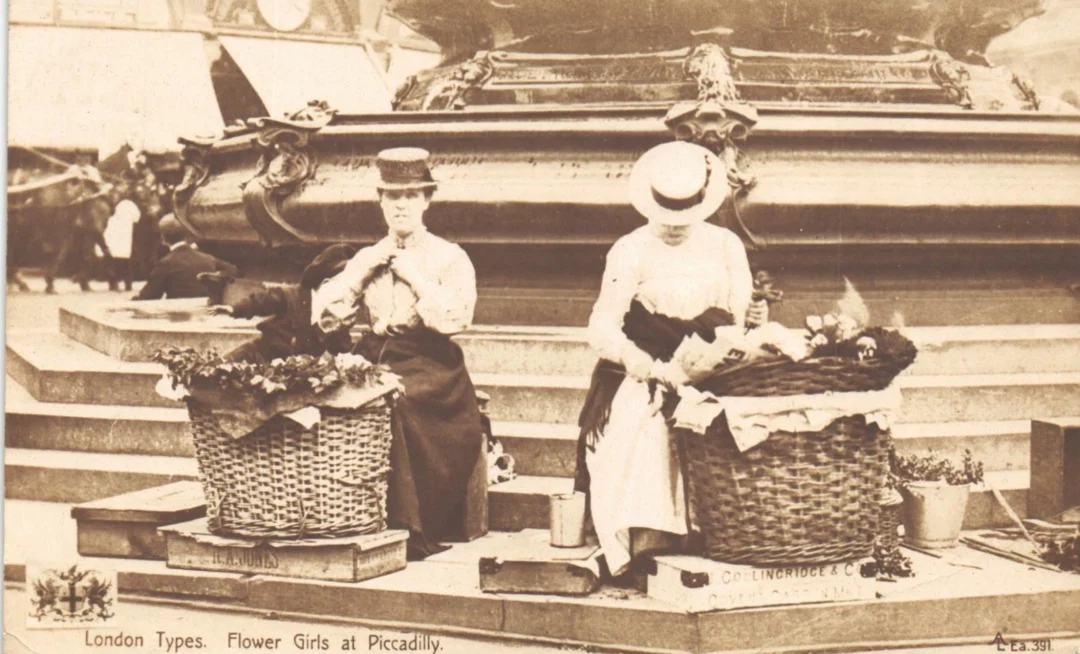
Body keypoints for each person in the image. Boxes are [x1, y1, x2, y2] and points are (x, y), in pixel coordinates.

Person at [575, 141, 764, 578]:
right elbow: (602, 326)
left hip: (714, 368)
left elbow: (737, 317)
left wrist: (742, 332)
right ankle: (645, 541)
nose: (676, 226)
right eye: (667, 215)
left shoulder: (725, 245)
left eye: (686, 215)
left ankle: (726, 531)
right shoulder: (630, 248)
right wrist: (645, 365)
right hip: (648, 367)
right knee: (641, 430)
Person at [312, 147, 484, 558]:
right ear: (381, 202)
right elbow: (326, 319)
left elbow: (456, 318)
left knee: (398, 405)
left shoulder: (449, 256)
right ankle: (344, 512)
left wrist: (415, 276)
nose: (401, 206)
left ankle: (408, 521)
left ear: (427, 200)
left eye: (410, 196)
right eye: (392, 197)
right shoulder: (367, 255)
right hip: (372, 353)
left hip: (430, 361)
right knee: (327, 397)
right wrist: (359, 272)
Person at [215, 244, 358, 364]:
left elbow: (343, 347)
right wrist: (235, 308)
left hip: (291, 372)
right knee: (221, 371)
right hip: (259, 357)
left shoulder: (336, 316)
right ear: (324, 283)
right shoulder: (293, 296)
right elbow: (263, 301)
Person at [133, 214, 237, 300]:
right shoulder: (208, 259)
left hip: (179, 317)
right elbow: (232, 269)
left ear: (163, 239)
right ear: (186, 236)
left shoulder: (165, 263)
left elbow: (149, 296)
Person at [45, 171, 112, 294]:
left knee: (85, 256)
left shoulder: (90, 195)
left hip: (84, 228)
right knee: (66, 254)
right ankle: (51, 280)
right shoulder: (83, 193)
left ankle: (83, 282)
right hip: (78, 228)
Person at [99, 182, 140, 292]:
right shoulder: (113, 206)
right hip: (115, 235)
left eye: (116, 194)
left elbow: (136, 218)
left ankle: (126, 284)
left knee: (122, 261)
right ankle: (115, 283)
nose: (114, 197)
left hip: (123, 235)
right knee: (115, 260)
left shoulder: (126, 205)